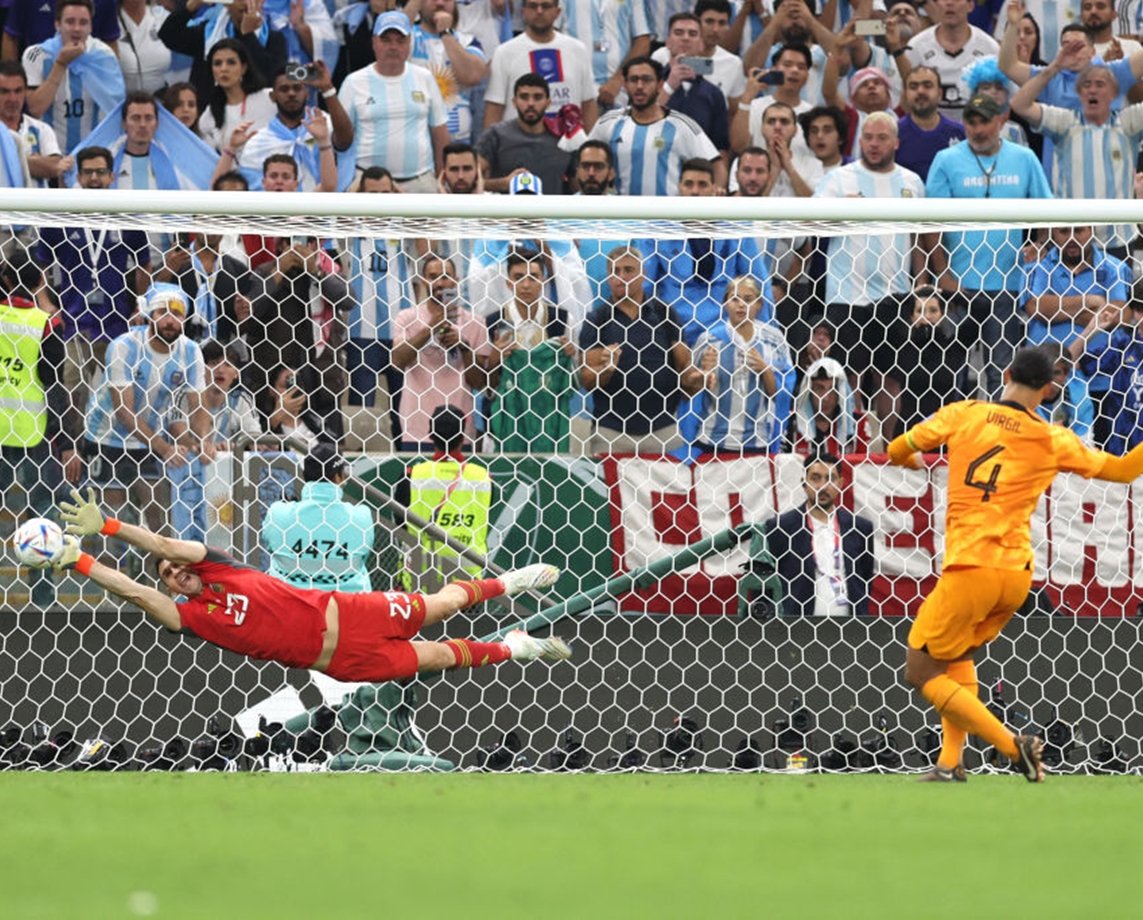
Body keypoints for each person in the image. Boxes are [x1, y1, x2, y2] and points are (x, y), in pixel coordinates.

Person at [886, 345, 1143, 782]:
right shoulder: (1052, 439)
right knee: (956, 654)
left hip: (971, 565)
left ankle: (1012, 746)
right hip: (1018, 574)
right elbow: (1122, 471)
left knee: (921, 668)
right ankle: (950, 764)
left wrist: (911, 458)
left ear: (1005, 373)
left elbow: (895, 448)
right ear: (1047, 390)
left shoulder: (965, 413)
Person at [52, 489, 571, 683]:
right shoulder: (193, 617)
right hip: (342, 664)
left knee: (439, 605)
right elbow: (136, 593)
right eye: (168, 578)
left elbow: (166, 545)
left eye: (172, 567)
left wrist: (112, 528)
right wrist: (81, 562)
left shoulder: (220, 567)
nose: (171, 572)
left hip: (352, 613)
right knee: (435, 656)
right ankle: (513, 648)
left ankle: (504, 583)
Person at [926, 93, 1053, 397]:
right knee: (951, 371)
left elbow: (1046, 209)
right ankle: (952, 441)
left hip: (1008, 283)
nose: (978, 129)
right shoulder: (946, 159)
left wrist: (1040, 244)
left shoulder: (1024, 158)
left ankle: (998, 438)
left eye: (985, 121)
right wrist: (942, 274)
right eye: (971, 121)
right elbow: (930, 221)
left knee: (1002, 371)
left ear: (1001, 121)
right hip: (958, 285)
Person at [38, 145, 152, 448]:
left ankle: (122, 459)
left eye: (100, 172)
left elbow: (144, 267)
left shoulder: (126, 215)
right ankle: (72, 458)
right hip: (74, 323)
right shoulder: (62, 215)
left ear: (112, 175)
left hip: (117, 325)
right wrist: (46, 304)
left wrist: (141, 302)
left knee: (124, 397)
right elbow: (38, 265)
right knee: (72, 396)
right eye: (87, 172)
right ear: (78, 175)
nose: (94, 178)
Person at [578, 245, 703, 455]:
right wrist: (607, 370)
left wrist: (698, 379)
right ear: (608, 277)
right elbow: (587, 381)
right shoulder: (597, 319)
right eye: (615, 272)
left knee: (669, 488)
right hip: (611, 432)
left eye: (628, 270)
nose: (621, 277)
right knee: (609, 489)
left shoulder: (665, 314)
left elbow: (685, 373)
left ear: (643, 274)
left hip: (662, 430)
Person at [0, 251, 69, 606]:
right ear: (40, 282)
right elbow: (56, 383)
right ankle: (43, 600)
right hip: (34, 428)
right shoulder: (45, 323)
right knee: (42, 513)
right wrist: (67, 438)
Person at [338, 10, 449, 191]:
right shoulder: (353, 82)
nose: (393, 46)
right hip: (368, 183)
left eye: (400, 40)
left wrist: (441, 177)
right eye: (386, 39)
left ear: (409, 43)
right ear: (374, 42)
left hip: (419, 181)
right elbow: (342, 139)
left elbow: (440, 132)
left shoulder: (425, 78)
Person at [390, 252, 491, 451]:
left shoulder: (476, 323)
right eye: (433, 276)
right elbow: (397, 361)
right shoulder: (407, 317)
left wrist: (464, 346)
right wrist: (431, 327)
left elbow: (481, 383)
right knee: (418, 482)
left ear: (457, 281)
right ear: (422, 281)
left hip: (461, 431)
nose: (439, 282)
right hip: (417, 428)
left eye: (445, 276)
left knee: (459, 483)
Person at [588, 56, 725, 195]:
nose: (640, 86)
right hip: (621, 215)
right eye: (634, 80)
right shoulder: (608, 123)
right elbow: (583, 162)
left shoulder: (682, 126)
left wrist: (712, 199)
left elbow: (717, 166)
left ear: (660, 85)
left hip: (668, 215)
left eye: (646, 80)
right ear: (624, 84)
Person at [168, 339, 262, 541]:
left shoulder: (242, 399)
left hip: (228, 483)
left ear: (236, 373)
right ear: (200, 369)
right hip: (189, 478)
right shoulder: (183, 396)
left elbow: (256, 438)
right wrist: (200, 445)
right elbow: (178, 430)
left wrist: (233, 447)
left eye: (228, 364)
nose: (220, 369)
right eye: (213, 363)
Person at [762, 451, 876, 617]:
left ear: (841, 483)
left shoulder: (860, 528)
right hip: (797, 631)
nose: (823, 486)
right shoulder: (780, 528)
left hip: (852, 632)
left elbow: (864, 580)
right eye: (815, 478)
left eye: (831, 478)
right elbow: (765, 586)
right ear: (804, 482)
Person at [485, 249, 578, 453]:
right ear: (508, 283)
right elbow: (484, 383)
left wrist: (570, 358)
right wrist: (494, 359)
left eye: (533, 277)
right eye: (519, 278)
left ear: (544, 280)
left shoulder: (562, 320)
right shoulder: (492, 323)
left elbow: (573, 381)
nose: (526, 285)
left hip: (549, 422)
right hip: (507, 419)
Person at [692, 275, 796, 454]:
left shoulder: (774, 339)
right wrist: (704, 374)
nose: (741, 304)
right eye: (734, 299)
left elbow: (782, 395)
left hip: (757, 442)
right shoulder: (709, 339)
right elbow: (689, 389)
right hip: (712, 440)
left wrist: (765, 370)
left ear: (759, 304)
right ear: (725, 304)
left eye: (748, 299)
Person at [262, 442, 374, 592]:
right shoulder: (361, 516)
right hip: (347, 607)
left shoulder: (278, 514)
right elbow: (363, 557)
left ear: (305, 476)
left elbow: (270, 547)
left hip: (289, 606)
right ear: (338, 477)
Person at [226, 62, 351, 192]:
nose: (291, 93)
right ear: (272, 96)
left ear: (307, 93)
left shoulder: (323, 123)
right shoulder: (257, 143)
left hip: (322, 208)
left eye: (297, 88)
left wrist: (327, 88)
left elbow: (345, 141)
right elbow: (254, 193)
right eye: (284, 89)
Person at [404, 404, 491, 586]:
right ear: (462, 436)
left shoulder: (413, 475)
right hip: (468, 578)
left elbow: (400, 522)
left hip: (422, 573)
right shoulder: (482, 476)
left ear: (430, 434)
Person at [22, 0, 126, 151]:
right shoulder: (36, 55)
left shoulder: (104, 56)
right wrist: (61, 64)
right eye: (70, 22)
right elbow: (36, 109)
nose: (77, 29)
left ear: (91, 27)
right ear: (57, 24)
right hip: (49, 154)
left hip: (93, 155)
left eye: (83, 22)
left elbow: (113, 111)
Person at [482, 0, 598, 132]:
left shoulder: (578, 50)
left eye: (546, 6)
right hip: (519, 145)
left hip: (567, 144)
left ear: (557, 12)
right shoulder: (504, 52)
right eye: (533, 6)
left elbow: (588, 104)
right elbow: (494, 107)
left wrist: (592, 144)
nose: (539, 11)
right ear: (523, 11)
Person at [476, 72, 572, 195]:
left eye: (537, 97)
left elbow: (579, 185)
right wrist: (503, 184)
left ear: (548, 103)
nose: (530, 103)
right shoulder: (496, 135)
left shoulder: (564, 138)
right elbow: (469, 180)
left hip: (552, 213)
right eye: (524, 97)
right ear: (514, 101)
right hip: (508, 213)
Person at [408, 0, 489, 144]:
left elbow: (472, 76)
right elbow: (395, 28)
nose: (440, 3)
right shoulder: (407, 38)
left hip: (460, 144)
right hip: (418, 140)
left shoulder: (468, 41)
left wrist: (446, 33)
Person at [904, 0, 999, 122]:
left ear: (970, 5)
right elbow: (907, 100)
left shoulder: (989, 48)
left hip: (977, 130)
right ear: (936, 5)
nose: (949, 3)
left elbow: (998, 101)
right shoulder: (916, 46)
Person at [193, 36, 275, 154]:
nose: (224, 69)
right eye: (217, 63)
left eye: (231, 62)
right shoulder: (210, 115)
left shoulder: (269, 98)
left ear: (244, 68)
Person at [0, 60, 68, 188]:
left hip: (36, 207)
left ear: (26, 91)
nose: (13, 99)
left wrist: (7, 159)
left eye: (18, 91)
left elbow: (55, 167)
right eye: (4, 92)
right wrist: (35, 161)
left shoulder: (41, 129)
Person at [895, 65, 965, 182]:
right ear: (905, 94)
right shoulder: (893, 133)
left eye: (927, 86)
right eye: (913, 87)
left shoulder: (960, 133)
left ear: (940, 93)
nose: (920, 91)